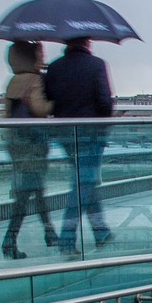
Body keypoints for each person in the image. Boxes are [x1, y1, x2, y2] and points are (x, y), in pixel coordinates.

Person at [45, 37, 114, 253]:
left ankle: (101, 231)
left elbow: (49, 100)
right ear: (87, 43)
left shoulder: (54, 68)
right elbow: (105, 102)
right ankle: (67, 238)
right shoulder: (97, 65)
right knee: (84, 183)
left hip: (65, 133)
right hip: (92, 133)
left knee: (86, 181)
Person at [1, 41, 56, 259]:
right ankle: (10, 239)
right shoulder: (34, 80)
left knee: (36, 190)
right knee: (26, 194)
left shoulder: (13, 81)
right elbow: (39, 108)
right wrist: (54, 103)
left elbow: (8, 114)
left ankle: (50, 232)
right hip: (33, 146)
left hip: (16, 144)